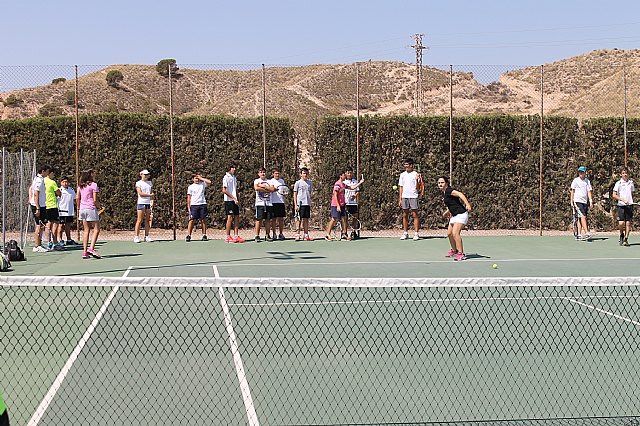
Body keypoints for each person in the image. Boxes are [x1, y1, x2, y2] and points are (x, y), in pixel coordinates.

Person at [437, 176, 472, 261]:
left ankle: (461, 254)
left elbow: (460, 194)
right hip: (454, 215)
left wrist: (467, 204)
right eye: (439, 183)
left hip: (461, 214)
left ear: (446, 183)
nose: (440, 184)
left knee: (455, 233)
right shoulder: (445, 193)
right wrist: (447, 212)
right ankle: (454, 250)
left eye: (442, 182)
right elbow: (453, 204)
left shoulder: (449, 190)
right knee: (449, 233)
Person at [77, 169, 102, 259]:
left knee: (86, 230)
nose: (94, 175)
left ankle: (84, 252)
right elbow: (95, 200)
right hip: (91, 208)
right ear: (89, 176)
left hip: (82, 209)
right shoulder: (94, 185)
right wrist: (99, 206)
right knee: (97, 228)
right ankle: (91, 248)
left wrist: (79, 207)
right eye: (92, 174)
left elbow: (77, 198)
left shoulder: (80, 186)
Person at [398, 159, 423, 241]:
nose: (406, 166)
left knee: (415, 215)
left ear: (411, 165)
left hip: (413, 196)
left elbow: (418, 188)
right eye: (405, 164)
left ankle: (416, 233)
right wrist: (400, 199)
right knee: (405, 215)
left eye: (407, 164)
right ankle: (405, 233)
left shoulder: (416, 174)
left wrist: (417, 180)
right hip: (405, 197)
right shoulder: (402, 175)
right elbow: (401, 187)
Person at [29, 164, 50, 253]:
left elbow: (30, 188)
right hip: (38, 206)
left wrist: (29, 199)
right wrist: (37, 208)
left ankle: (39, 244)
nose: (48, 173)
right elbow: (36, 193)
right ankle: (37, 245)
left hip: (41, 205)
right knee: (39, 225)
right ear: (43, 171)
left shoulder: (39, 179)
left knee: (41, 225)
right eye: (47, 171)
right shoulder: (39, 181)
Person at [612, 167, 635, 246]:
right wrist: (622, 200)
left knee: (628, 223)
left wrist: (630, 201)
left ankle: (626, 239)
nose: (625, 175)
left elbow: (632, 193)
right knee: (621, 223)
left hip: (629, 205)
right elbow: (614, 195)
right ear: (621, 175)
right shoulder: (618, 183)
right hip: (621, 205)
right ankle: (621, 234)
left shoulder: (631, 183)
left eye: (626, 173)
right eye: (623, 173)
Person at [222, 163, 245, 243]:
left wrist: (237, 199)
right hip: (229, 201)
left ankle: (236, 236)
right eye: (233, 168)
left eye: (235, 168)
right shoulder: (226, 178)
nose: (234, 169)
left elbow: (235, 189)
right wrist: (233, 198)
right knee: (230, 217)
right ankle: (227, 236)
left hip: (235, 201)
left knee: (236, 217)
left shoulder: (234, 177)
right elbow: (224, 190)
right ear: (229, 168)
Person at [570, 165, 593, 241]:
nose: (581, 173)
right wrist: (572, 201)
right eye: (579, 172)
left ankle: (579, 234)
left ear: (585, 173)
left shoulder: (587, 181)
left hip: (584, 202)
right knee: (583, 216)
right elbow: (572, 191)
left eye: (582, 172)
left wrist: (590, 200)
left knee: (580, 218)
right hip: (577, 201)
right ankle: (587, 233)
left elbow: (589, 191)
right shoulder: (575, 180)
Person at [186, 173, 212, 242]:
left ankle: (204, 235)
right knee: (191, 220)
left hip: (202, 204)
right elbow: (189, 198)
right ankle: (188, 235)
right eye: (195, 178)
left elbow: (209, 182)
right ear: (192, 179)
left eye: (197, 178)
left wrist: (202, 178)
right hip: (194, 205)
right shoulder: (190, 187)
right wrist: (189, 207)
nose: (197, 179)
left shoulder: (203, 184)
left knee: (203, 220)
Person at [325, 170, 349, 241]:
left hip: (342, 204)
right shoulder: (337, 184)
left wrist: (360, 182)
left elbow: (352, 188)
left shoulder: (343, 184)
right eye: (344, 175)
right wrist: (338, 205)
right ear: (341, 176)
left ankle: (344, 234)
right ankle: (327, 235)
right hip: (335, 205)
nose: (345, 176)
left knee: (344, 218)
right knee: (334, 219)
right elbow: (335, 195)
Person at [43, 168, 63, 250]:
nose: (54, 176)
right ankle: (55, 243)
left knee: (48, 224)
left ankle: (49, 242)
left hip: (44, 205)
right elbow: (59, 193)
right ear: (50, 173)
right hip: (52, 205)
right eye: (53, 174)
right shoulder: (52, 182)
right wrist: (58, 193)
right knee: (55, 224)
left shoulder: (42, 181)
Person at [254, 167, 275, 242]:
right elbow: (256, 188)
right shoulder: (256, 181)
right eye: (261, 172)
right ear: (258, 173)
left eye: (264, 172)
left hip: (269, 203)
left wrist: (263, 186)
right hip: (260, 203)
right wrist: (267, 189)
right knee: (259, 220)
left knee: (268, 220)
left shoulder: (270, 181)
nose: (263, 173)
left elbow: (272, 189)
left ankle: (267, 234)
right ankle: (257, 235)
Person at [134, 169, 154, 243]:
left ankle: (146, 236)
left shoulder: (150, 183)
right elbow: (140, 193)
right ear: (141, 175)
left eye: (147, 174)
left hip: (148, 203)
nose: (146, 176)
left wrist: (152, 201)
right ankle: (136, 237)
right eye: (145, 174)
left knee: (147, 220)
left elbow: (152, 193)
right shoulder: (138, 183)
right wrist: (150, 195)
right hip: (141, 203)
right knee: (139, 220)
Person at [293, 167, 313, 241]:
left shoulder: (310, 182)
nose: (305, 174)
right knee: (298, 219)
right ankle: (297, 234)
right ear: (301, 174)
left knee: (306, 219)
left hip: (307, 204)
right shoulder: (297, 183)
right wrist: (296, 205)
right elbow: (295, 194)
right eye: (304, 173)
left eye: (306, 173)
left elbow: (309, 192)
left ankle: (306, 234)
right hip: (299, 204)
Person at [344, 168, 365, 239]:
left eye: (350, 173)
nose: (349, 174)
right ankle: (344, 233)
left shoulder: (355, 181)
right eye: (348, 173)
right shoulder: (344, 182)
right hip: (346, 203)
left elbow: (357, 191)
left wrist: (354, 196)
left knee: (355, 217)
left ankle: (353, 232)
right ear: (345, 174)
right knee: (345, 218)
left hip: (353, 203)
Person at [57, 176, 78, 245]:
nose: (65, 183)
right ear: (61, 183)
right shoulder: (59, 190)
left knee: (68, 225)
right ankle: (60, 240)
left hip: (69, 211)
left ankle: (69, 240)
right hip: (61, 211)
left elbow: (75, 199)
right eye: (63, 182)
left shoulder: (71, 190)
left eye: (66, 182)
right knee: (61, 225)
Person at [269, 168, 287, 241]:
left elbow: (284, 190)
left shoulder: (282, 181)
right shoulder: (271, 181)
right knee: (273, 219)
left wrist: (285, 193)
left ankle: (281, 234)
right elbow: (271, 189)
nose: (277, 175)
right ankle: (274, 234)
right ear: (273, 174)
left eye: (278, 173)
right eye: (276, 173)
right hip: (273, 202)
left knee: (281, 219)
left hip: (281, 202)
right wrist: (274, 189)